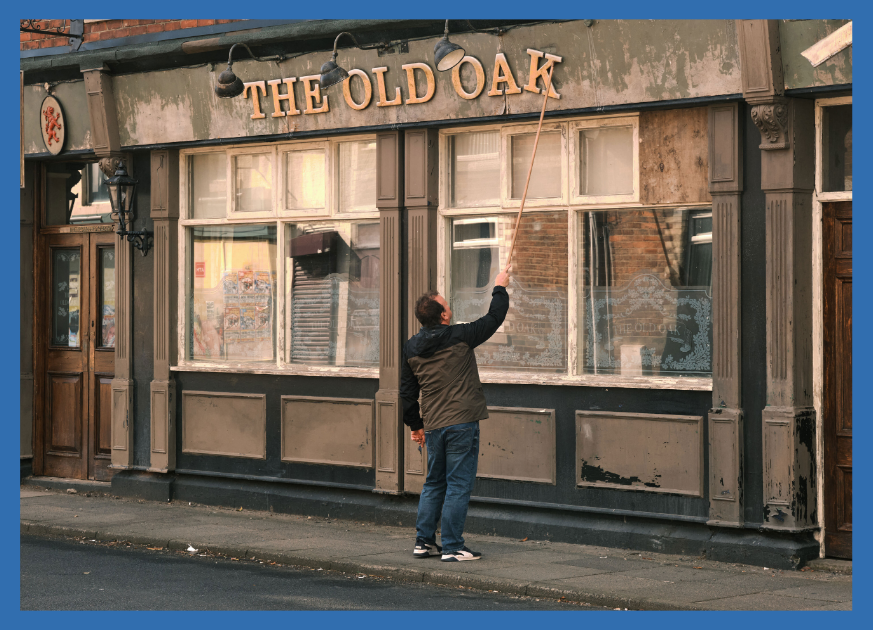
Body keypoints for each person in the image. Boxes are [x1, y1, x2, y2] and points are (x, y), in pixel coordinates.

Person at [401, 266, 511, 562]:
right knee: (459, 484)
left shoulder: (411, 348)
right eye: (447, 305)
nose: (450, 307)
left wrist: (416, 425)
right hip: (462, 422)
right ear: (444, 316)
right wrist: (500, 285)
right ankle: (452, 547)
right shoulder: (461, 336)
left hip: (435, 425)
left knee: (434, 483)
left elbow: (407, 393)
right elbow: (495, 317)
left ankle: (424, 542)